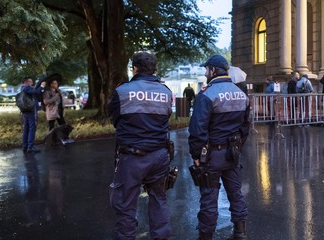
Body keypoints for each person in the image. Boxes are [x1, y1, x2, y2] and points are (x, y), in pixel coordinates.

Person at [107, 52, 174, 240]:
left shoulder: (123, 91)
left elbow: (114, 118)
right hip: (160, 155)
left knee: (126, 205)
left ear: (134, 68)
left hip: (132, 157)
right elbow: (167, 117)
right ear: (155, 69)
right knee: (159, 200)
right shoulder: (166, 91)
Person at [188, 54, 250, 240]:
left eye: (207, 69)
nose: (205, 73)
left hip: (211, 154)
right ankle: (240, 232)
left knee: (209, 197)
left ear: (213, 70)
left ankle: (206, 236)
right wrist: (238, 147)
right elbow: (245, 126)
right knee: (235, 193)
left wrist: (196, 154)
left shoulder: (207, 94)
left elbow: (197, 128)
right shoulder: (241, 94)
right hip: (233, 153)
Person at [20, 77, 45, 153]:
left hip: (26, 111)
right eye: (30, 82)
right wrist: (42, 86)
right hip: (31, 111)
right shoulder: (26, 88)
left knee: (26, 129)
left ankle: (25, 146)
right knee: (32, 128)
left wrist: (40, 89)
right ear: (26, 82)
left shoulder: (23, 88)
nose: (32, 83)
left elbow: (36, 93)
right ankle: (30, 147)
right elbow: (36, 92)